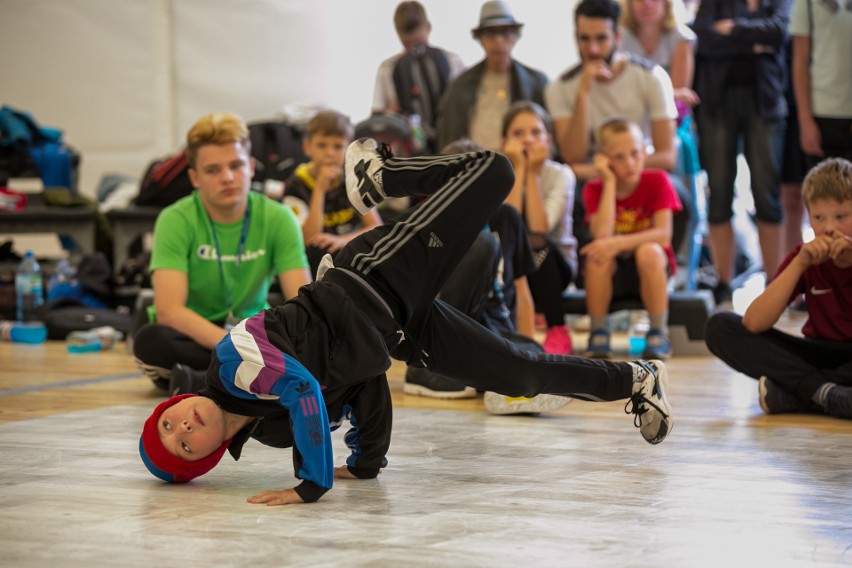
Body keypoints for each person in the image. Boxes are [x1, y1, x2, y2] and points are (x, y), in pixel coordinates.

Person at [139, 138, 675, 505]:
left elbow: (303, 386)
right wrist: (367, 461)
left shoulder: (232, 361)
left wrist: (311, 485)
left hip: (367, 279)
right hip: (396, 327)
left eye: (170, 423)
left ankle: (384, 173)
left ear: (174, 402)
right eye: (184, 445)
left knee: (495, 171)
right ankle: (638, 378)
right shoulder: (273, 432)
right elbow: (365, 381)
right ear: (206, 460)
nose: (184, 429)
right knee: (519, 374)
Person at [133, 112, 312, 392]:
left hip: (252, 331)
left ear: (251, 167)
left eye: (236, 165)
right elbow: (169, 311)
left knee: (306, 334)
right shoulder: (174, 219)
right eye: (213, 170)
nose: (227, 177)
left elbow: (302, 300)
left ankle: (201, 381)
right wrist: (237, 347)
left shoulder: (279, 218)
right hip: (193, 333)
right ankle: (253, 377)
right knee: (150, 341)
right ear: (194, 177)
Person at [705, 158, 852, 420]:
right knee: (720, 327)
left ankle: (802, 394)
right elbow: (754, 323)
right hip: (816, 352)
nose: (829, 227)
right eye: (819, 217)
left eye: (841, 216)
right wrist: (800, 264)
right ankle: (826, 394)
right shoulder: (804, 256)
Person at [692, 0, 789, 305]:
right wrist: (754, 43)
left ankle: (774, 284)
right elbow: (704, 39)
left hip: (766, 103)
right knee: (719, 192)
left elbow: (779, 33)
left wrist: (733, 30)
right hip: (717, 104)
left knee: (767, 194)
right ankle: (723, 281)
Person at [581, 118, 682, 359]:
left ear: (644, 150)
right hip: (614, 272)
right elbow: (602, 236)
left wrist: (616, 243)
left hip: (650, 268)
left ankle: (659, 331)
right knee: (598, 257)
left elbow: (663, 235)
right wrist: (609, 182)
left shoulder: (657, 180)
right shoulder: (594, 188)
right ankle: (598, 331)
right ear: (603, 158)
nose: (630, 163)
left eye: (635, 153)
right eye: (619, 157)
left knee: (649, 250)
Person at [545, 0, 678, 181]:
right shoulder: (560, 87)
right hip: (591, 182)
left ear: (617, 36)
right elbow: (573, 157)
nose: (593, 49)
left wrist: (615, 169)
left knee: (675, 192)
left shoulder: (652, 77)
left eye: (601, 38)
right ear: (575, 37)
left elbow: (667, 157)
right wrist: (582, 94)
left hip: (639, 173)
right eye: (584, 39)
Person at [501, 102, 578, 355]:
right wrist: (519, 169)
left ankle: (558, 329)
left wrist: (531, 173)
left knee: (537, 243)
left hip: (554, 266)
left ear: (549, 138)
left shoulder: (561, 174)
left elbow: (539, 227)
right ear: (505, 141)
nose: (528, 140)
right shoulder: (498, 175)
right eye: (518, 133)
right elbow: (506, 227)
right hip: (510, 265)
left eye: (536, 132)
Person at [435, 0, 548, 151]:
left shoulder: (536, 83)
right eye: (490, 34)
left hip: (523, 166)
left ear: (515, 37)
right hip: (473, 167)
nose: (498, 41)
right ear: (480, 39)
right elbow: (449, 140)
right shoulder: (460, 86)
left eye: (505, 33)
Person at [282, 110, 383, 277]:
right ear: (307, 147)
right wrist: (319, 189)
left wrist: (342, 240)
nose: (329, 153)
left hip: (347, 251)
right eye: (322, 145)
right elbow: (307, 240)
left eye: (337, 146)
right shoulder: (295, 186)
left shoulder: (354, 180)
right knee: (317, 249)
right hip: (314, 260)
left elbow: (376, 227)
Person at [371, 1, 466, 146]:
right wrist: (388, 115)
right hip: (408, 150)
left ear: (428, 27)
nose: (415, 52)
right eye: (408, 44)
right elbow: (376, 118)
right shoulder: (388, 69)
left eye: (418, 42)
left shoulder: (453, 62)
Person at [790, 0, 852, 168]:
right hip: (821, 112)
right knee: (823, 191)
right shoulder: (806, 3)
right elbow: (799, 61)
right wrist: (805, 120)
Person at [619, 0, 700, 110]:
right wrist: (670, 93)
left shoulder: (682, 38)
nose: (647, 3)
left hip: (671, 114)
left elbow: (680, 100)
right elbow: (617, 89)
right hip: (628, 113)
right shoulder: (618, 36)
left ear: (667, 3)